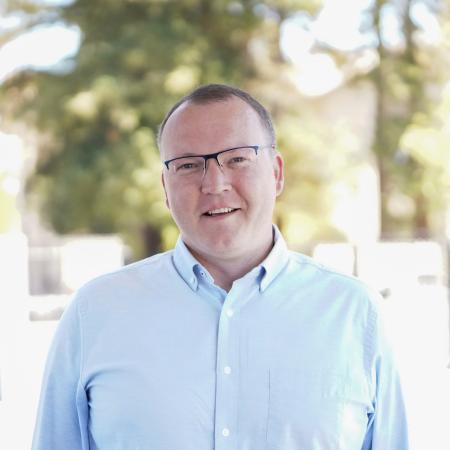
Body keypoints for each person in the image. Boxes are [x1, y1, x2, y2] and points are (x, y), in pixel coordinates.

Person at [31, 83, 409, 450]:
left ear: (276, 172)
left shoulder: (356, 314)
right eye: (189, 165)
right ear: (165, 187)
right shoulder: (95, 312)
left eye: (237, 158)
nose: (214, 183)